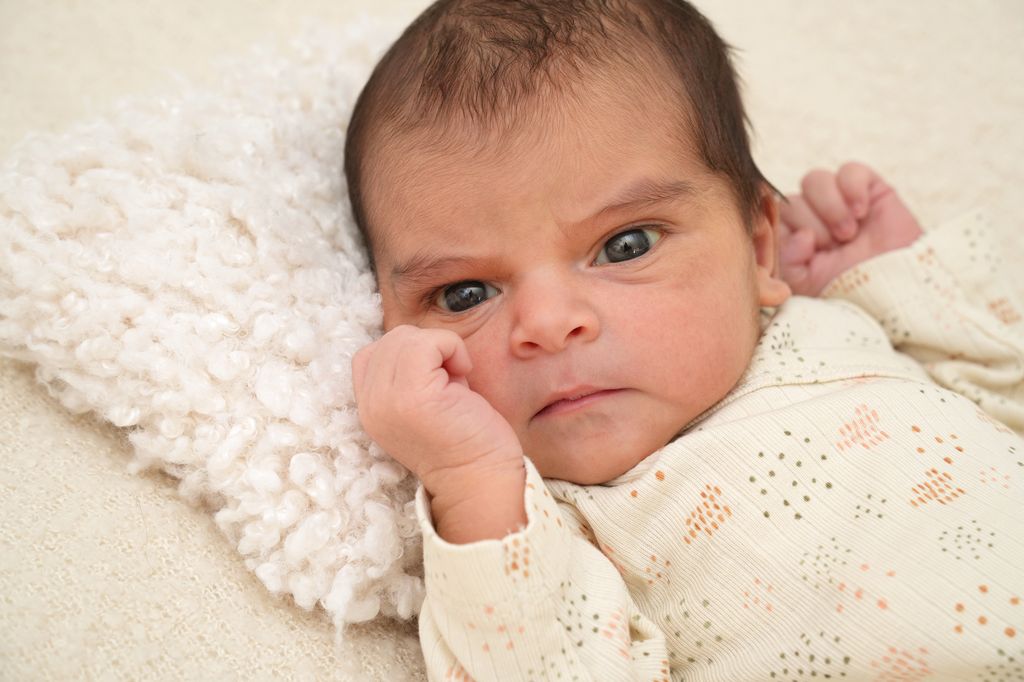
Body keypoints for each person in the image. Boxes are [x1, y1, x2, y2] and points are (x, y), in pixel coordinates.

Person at [344, 0, 1024, 678]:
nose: (548, 324)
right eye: (464, 295)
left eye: (626, 245)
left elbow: (1003, 399)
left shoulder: (841, 323)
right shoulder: (549, 531)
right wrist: (469, 481)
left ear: (759, 246)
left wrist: (901, 285)